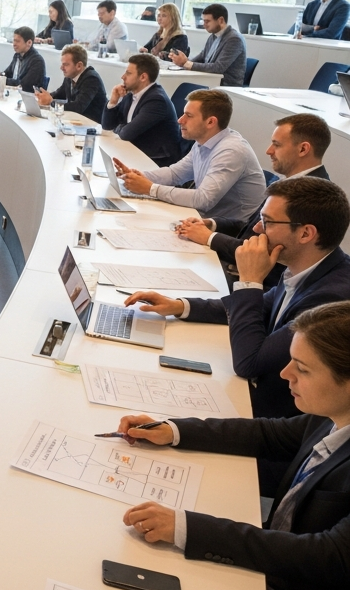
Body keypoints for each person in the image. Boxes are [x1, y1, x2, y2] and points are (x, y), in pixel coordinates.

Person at [115, 301, 350, 590]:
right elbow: (270, 434)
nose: (285, 374)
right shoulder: (332, 413)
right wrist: (174, 430)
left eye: (302, 369)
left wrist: (186, 528)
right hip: (277, 557)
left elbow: (327, 555)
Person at [125, 177, 350, 421]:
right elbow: (258, 307)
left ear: (306, 233)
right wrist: (179, 306)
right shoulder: (309, 268)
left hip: (274, 419)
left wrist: (250, 280)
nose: (256, 228)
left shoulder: (331, 297)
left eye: (268, 222)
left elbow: (249, 363)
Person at [176, 113, 332, 288]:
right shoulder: (289, 180)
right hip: (236, 265)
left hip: (259, 284)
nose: (268, 151)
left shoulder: (311, 195)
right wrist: (211, 224)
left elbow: (263, 250)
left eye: (277, 145)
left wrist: (209, 237)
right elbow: (252, 227)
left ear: (303, 149)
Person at [113, 89, 266, 223]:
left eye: (188, 116)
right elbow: (175, 174)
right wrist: (138, 176)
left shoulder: (231, 151)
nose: (180, 120)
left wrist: (151, 188)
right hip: (204, 220)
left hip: (229, 232)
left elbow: (203, 199)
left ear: (211, 122)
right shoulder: (202, 142)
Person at [101, 53, 181, 167]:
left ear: (143, 77)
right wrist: (113, 100)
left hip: (156, 160)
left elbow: (126, 133)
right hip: (135, 151)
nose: (123, 77)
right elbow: (107, 125)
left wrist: (120, 127)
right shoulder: (132, 94)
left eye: (128, 73)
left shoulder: (157, 100)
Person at [171, 4, 247, 87]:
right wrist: (183, 61)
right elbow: (202, 57)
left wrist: (186, 63)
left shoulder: (234, 39)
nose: (204, 25)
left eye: (207, 21)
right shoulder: (213, 36)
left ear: (221, 20)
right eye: (203, 21)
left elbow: (218, 68)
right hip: (210, 79)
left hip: (225, 85)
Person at [36, 44, 106, 122]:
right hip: (76, 122)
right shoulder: (69, 77)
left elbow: (78, 107)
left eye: (65, 65)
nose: (61, 68)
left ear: (79, 66)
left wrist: (51, 102)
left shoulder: (91, 79)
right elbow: (59, 94)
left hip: (93, 126)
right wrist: (42, 96)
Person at [0, 26, 46, 92]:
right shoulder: (17, 55)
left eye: (17, 41)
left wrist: (1, 80)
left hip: (27, 97)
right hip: (14, 94)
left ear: (29, 43)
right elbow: (7, 73)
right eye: (14, 40)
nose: (14, 44)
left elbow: (25, 85)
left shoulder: (37, 61)